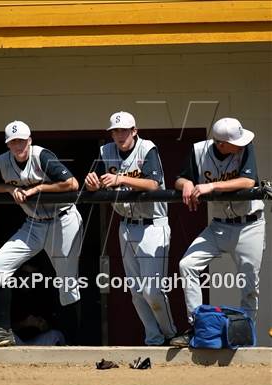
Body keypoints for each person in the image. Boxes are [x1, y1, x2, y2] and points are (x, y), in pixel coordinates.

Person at [0, 120, 83, 348]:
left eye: (21, 141)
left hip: (63, 220)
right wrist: (9, 188)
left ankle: (75, 344)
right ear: (8, 145)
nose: (18, 146)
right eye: (13, 142)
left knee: (67, 284)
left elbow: (72, 183)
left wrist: (38, 188)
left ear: (30, 140)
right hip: (33, 222)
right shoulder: (3, 162)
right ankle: (3, 331)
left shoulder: (41, 156)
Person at [170, 117, 265, 347]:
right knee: (187, 265)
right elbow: (180, 179)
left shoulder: (245, 147)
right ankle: (197, 327)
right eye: (236, 141)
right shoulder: (199, 151)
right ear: (221, 144)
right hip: (219, 225)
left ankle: (244, 337)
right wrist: (188, 184)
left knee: (250, 285)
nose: (242, 143)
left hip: (249, 225)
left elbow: (248, 181)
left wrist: (211, 186)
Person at [85, 111, 176, 346]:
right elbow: (97, 184)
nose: (119, 135)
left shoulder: (147, 148)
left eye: (124, 130)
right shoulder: (106, 151)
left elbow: (153, 183)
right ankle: (154, 338)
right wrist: (92, 184)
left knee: (152, 292)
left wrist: (121, 178)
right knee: (136, 292)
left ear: (134, 131)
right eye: (115, 131)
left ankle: (170, 334)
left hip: (152, 226)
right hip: (125, 225)